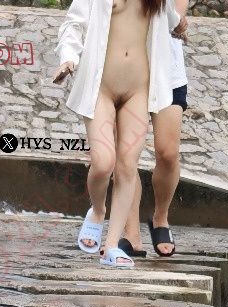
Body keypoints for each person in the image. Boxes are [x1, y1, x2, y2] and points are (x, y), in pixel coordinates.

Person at [54, 0, 181, 269]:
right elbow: (74, 24)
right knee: (103, 163)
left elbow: (171, 18)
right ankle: (98, 210)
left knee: (127, 165)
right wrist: (68, 57)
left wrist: (181, 23)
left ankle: (112, 245)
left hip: (139, 90)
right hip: (101, 88)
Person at [122, 0, 188, 258]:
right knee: (126, 154)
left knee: (168, 153)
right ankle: (130, 233)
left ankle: (160, 217)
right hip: (127, 69)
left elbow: (176, 21)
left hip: (168, 73)